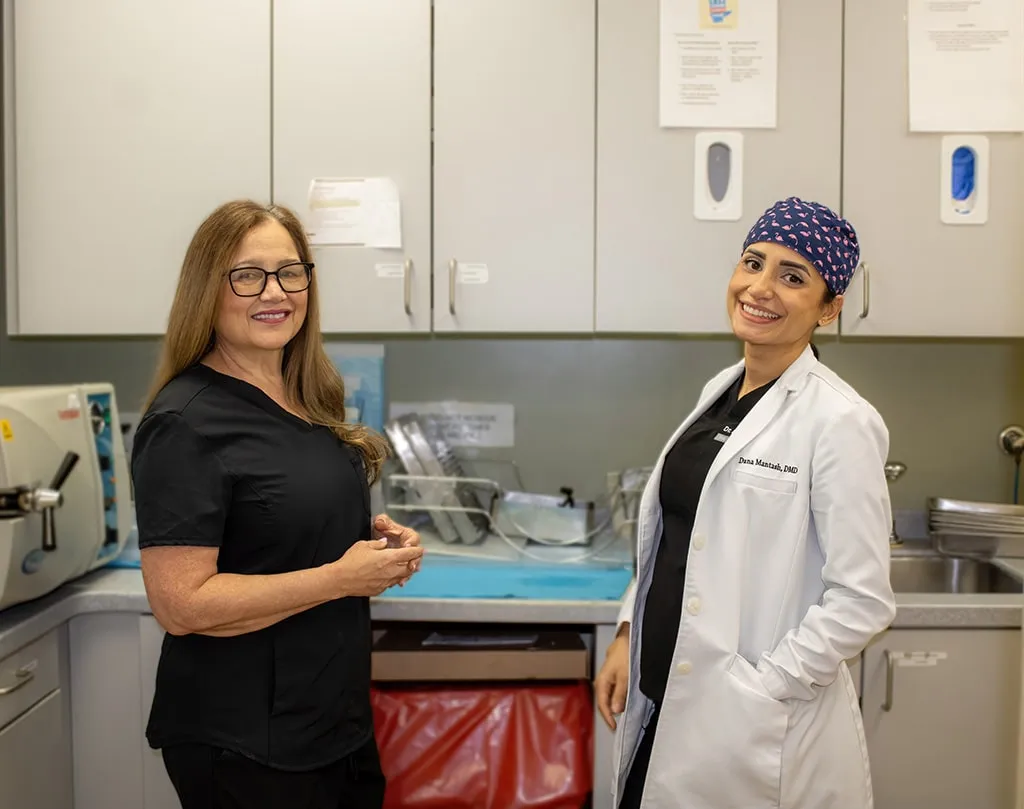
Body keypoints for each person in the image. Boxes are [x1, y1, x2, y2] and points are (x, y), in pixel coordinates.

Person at [595, 197, 897, 809]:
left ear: (830, 309)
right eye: (753, 263)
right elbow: (677, 535)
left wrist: (762, 688)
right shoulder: (721, 390)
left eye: (793, 276)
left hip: (745, 724)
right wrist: (631, 630)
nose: (760, 288)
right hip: (665, 694)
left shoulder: (839, 421)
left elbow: (862, 601)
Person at [131, 199, 425, 809]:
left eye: (292, 272)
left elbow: (285, 527)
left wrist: (377, 550)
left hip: (331, 725)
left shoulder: (307, 397)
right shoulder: (185, 423)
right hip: (246, 743)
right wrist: (342, 577)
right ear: (207, 290)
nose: (276, 292)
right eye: (248, 275)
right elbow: (181, 605)